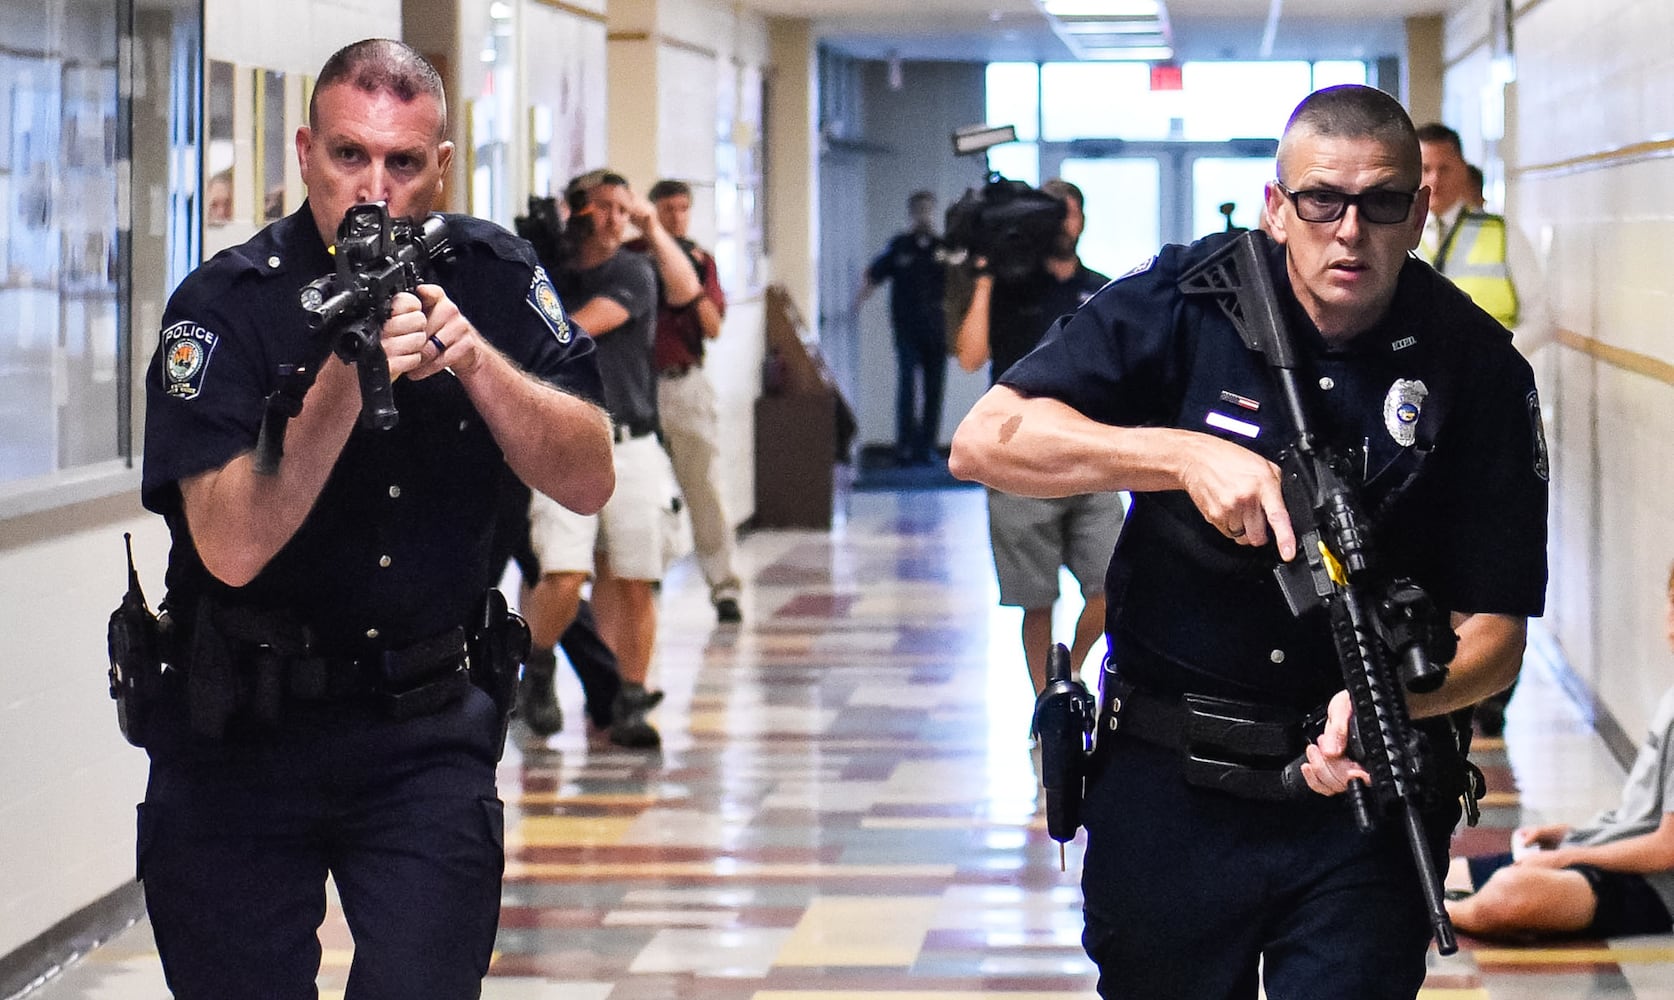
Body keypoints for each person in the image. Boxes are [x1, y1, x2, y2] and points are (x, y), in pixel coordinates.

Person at [950, 84, 1548, 999]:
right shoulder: (1186, 302)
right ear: (1277, 206)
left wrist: (1397, 701)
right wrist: (1178, 455)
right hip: (1170, 789)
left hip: (1362, 794)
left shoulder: (1477, 368)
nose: (1350, 230)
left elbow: (1497, 636)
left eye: (1382, 203)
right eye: (1321, 201)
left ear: (1420, 211)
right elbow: (985, 438)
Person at [136, 38, 613, 998]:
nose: (373, 189)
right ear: (306, 151)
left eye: (402, 162)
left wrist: (480, 366)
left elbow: (590, 476)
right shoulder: (228, 305)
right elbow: (229, 547)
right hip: (241, 730)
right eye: (349, 155)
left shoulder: (491, 272)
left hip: (423, 728)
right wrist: (344, 385)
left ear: (440, 163)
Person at [520, 169, 697, 750]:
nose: (617, 219)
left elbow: (571, 332)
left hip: (632, 442)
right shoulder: (550, 273)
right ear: (579, 213)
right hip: (565, 445)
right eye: (604, 208)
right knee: (564, 575)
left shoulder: (632, 272)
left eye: (625, 208)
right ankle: (538, 668)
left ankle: (630, 698)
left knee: (635, 579)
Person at [951, 178, 1123, 696]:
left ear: (1083, 219)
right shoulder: (1007, 289)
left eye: (1072, 212)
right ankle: (1047, 705)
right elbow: (969, 357)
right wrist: (984, 278)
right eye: (1053, 214)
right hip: (1018, 456)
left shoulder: (1101, 289)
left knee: (1113, 585)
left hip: (1089, 452)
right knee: (1036, 599)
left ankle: (1070, 670)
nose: (1064, 223)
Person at [1445, 561, 1674, 941]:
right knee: (1442, 872)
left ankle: (1445, 911)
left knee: (1510, 896)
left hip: (1648, 888)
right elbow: (1645, 820)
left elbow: (1666, 850)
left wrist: (1569, 856)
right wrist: (1570, 835)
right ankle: (1442, 897)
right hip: (1605, 853)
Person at [629, 177, 745, 624]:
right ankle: (644, 583)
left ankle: (724, 586)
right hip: (635, 387)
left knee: (704, 488)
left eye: (683, 208)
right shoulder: (629, 260)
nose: (676, 217)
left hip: (684, 385)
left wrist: (687, 285)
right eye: (667, 209)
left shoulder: (699, 261)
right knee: (642, 490)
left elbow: (714, 326)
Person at [854, 190, 948, 466]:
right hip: (907, 330)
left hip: (936, 330)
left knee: (933, 390)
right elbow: (873, 275)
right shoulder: (899, 247)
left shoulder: (942, 249)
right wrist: (856, 303)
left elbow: (960, 285)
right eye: (919, 210)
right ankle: (904, 446)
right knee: (907, 388)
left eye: (928, 210)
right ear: (911, 214)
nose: (924, 216)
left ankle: (927, 446)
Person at [1417, 124, 1519, 329]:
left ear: (1462, 169)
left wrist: (1496, 355)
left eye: (1444, 169)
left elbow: (1539, 318)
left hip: (1489, 358)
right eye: (1425, 169)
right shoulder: (1391, 230)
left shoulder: (1501, 232)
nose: (1434, 179)